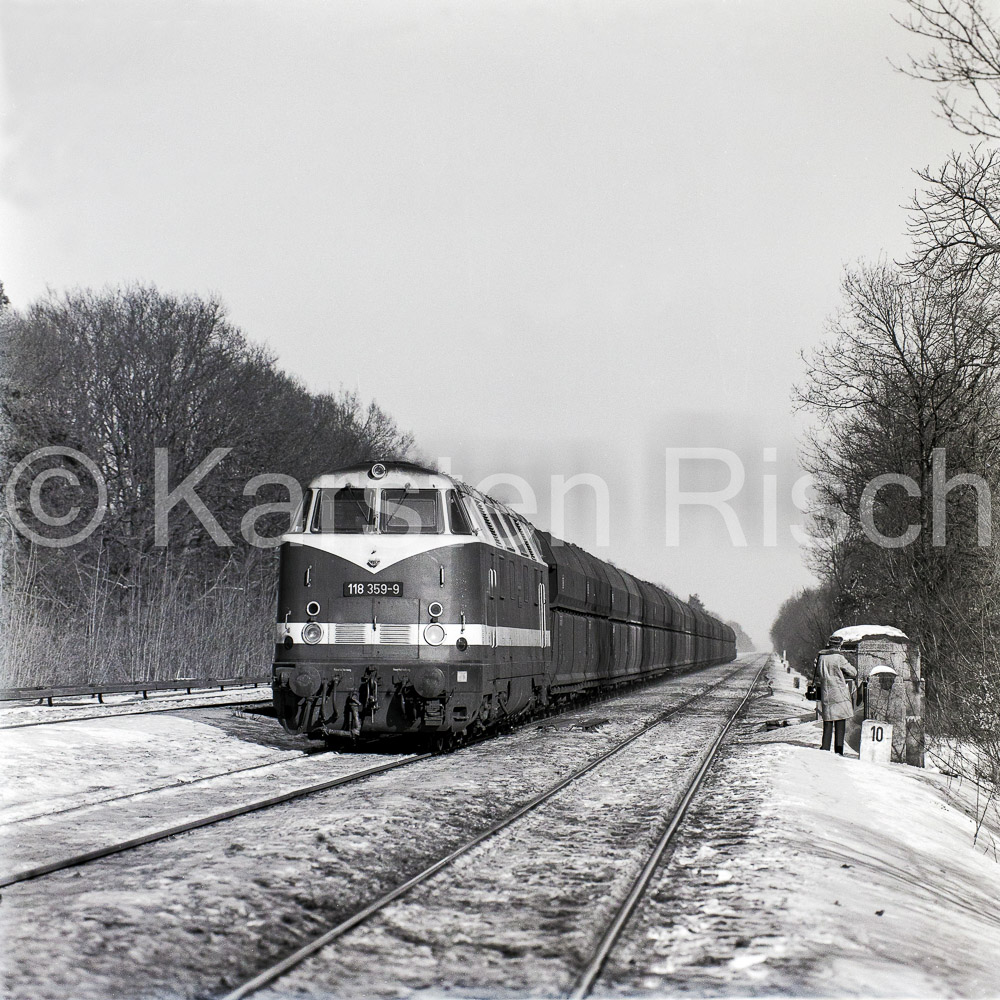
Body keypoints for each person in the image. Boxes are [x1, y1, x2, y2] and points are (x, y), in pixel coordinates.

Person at [813, 636, 858, 755]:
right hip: (839, 693)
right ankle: (839, 750)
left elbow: (817, 672)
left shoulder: (821, 657)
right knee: (840, 722)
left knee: (827, 721)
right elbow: (853, 672)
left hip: (826, 692)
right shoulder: (839, 658)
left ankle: (825, 748)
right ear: (839, 645)